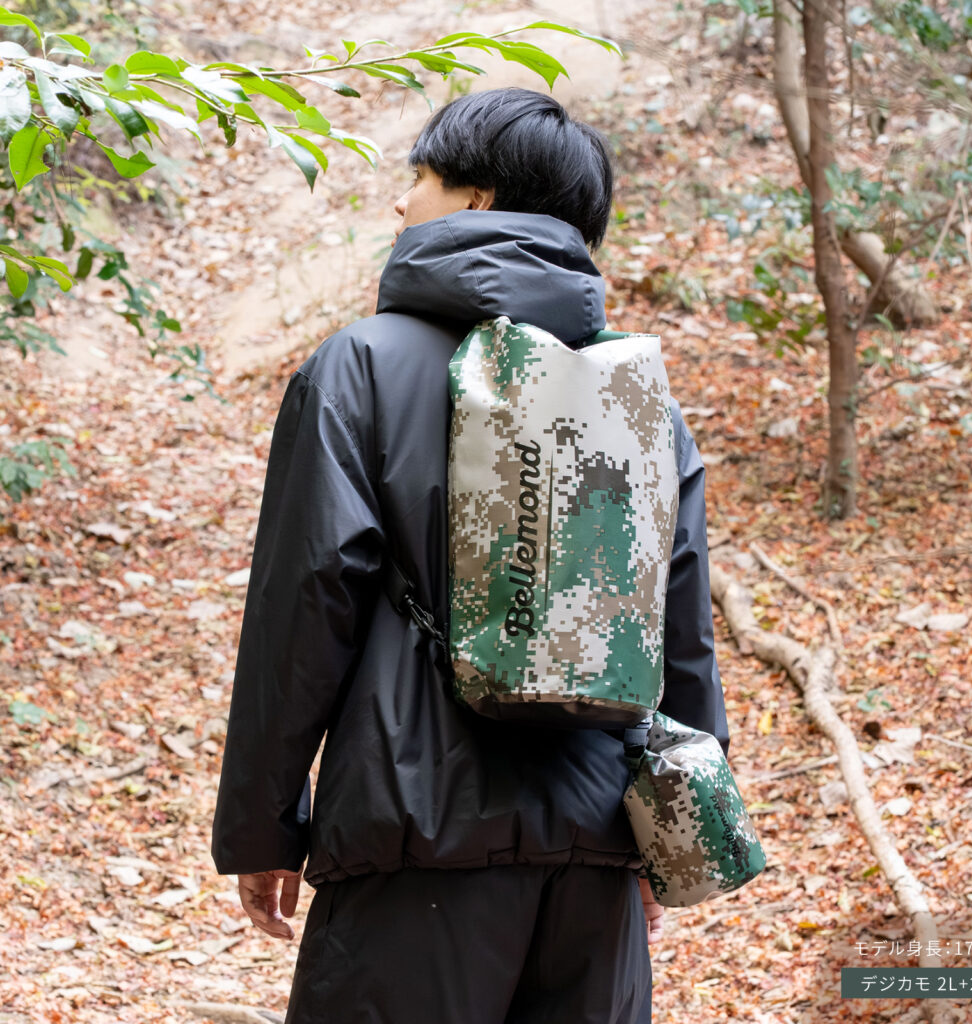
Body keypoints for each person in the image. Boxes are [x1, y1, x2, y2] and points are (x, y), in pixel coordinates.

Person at [212, 87, 729, 1024]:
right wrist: (669, 836)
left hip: (412, 841)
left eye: (420, 177)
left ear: (476, 199)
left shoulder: (360, 367)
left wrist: (264, 825)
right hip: (595, 846)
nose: (401, 199)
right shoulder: (640, 393)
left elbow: (307, 605)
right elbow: (678, 628)